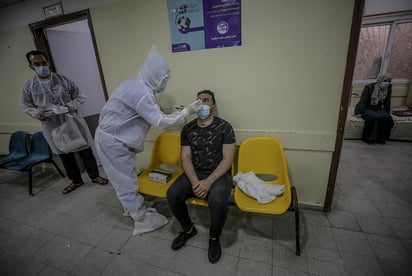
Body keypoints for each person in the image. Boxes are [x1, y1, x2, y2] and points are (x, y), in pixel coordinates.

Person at [94, 46, 201, 236]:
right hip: (113, 142)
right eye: (164, 78)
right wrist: (186, 112)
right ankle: (141, 219)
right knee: (125, 182)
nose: (165, 82)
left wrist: (169, 109)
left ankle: (132, 208)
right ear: (154, 75)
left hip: (112, 138)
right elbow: (161, 123)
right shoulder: (142, 92)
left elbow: (145, 109)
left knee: (124, 178)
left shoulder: (136, 84)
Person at [21, 50, 108, 194]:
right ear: (31, 66)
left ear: (48, 63)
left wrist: (68, 107)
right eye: (37, 64)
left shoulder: (63, 80)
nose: (41, 66)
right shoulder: (28, 86)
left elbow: (80, 96)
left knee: (85, 150)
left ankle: (95, 176)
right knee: (64, 154)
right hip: (51, 125)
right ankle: (76, 180)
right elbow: (26, 105)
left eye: (43, 62)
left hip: (71, 121)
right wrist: (36, 113)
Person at [166, 90, 236, 263]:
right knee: (172, 194)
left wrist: (209, 181)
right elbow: (185, 157)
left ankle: (214, 237)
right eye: (198, 101)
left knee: (218, 201)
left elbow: (228, 159)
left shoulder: (225, 127)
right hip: (195, 173)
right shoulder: (187, 128)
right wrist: (196, 181)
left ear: (213, 106)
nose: (201, 104)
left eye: (206, 100)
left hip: (218, 173)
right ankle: (188, 229)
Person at [354, 75, 394, 144]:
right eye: (385, 81)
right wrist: (359, 112)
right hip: (367, 107)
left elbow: (387, 101)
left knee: (387, 117)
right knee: (374, 117)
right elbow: (363, 101)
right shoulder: (369, 87)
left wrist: (387, 112)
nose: (386, 83)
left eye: (388, 82)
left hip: (378, 108)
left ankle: (381, 138)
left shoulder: (388, 88)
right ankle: (369, 138)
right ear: (380, 81)